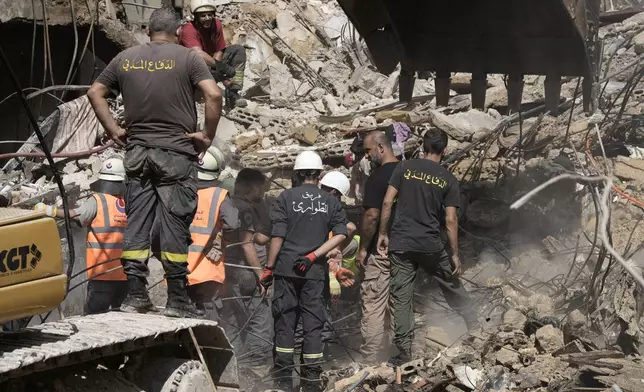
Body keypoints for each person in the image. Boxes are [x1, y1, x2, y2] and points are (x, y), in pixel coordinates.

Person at [87, 6, 223, 319]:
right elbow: (213, 95)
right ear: (178, 33)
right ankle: (177, 299)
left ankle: (136, 294)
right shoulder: (188, 57)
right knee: (174, 223)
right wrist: (206, 136)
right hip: (175, 154)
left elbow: (95, 92)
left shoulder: (125, 58)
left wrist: (113, 129)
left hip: (137, 155)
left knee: (137, 223)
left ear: (148, 32)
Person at [377, 128, 477, 365]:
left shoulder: (404, 167)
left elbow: (387, 200)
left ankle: (403, 352)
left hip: (401, 243)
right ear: (445, 150)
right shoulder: (448, 178)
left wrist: (383, 233)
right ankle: (475, 324)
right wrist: (454, 254)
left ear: (423, 147)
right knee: (450, 283)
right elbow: (450, 220)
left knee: (401, 297)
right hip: (431, 244)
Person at [259, 151, 348, 391]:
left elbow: (277, 236)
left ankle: (284, 383)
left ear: (297, 174)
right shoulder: (330, 201)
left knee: (285, 323)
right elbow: (341, 233)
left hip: (286, 271)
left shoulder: (286, 197)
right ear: (319, 175)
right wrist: (313, 256)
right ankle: (311, 383)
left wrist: (268, 269)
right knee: (313, 326)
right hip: (314, 274)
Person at [151, 146, 238, 320]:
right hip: (207, 272)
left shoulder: (173, 194)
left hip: (178, 272)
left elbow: (156, 235)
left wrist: (166, 260)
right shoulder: (219, 195)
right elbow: (233, 225)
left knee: (182, 321)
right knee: (209, 319)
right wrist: (221, 241)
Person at [33, 157, 128, 315]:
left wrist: (50, 211)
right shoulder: (128, 203)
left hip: (101, 274)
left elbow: (77, 216)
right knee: (120, 316)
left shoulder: (98, 200)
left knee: (94, 318)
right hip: (125, 275)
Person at [221, 168, 273, 378]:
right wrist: (262, 275)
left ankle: (235, 366)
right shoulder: (246, 209)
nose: (263, 192)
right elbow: (247, 244)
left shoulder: (226, 204)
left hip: (229, 271)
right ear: (254, 187)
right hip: (247, 273)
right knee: (259, 319)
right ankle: (258, 370)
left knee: (234, 318)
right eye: (262, 187)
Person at [355, 130, 399, 364]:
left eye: (368, 151)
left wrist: (363, 248)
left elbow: (372, 216)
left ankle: (370, 362)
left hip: (381, 252)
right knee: (399, 304)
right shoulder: (409, 172)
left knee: (373, 304)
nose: (367, 157)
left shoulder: (379, 177)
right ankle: (397, 358)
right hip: (406, 249)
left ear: (381, 148)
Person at [180, 0, 247, 109]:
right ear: (196, 17)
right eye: (203, 15)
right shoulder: (188, 29)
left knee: (238, 50)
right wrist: (221, 67)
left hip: (210, 63)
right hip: (192, 68)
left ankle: (233, 92)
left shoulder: (216, 24)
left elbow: (219, 50)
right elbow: (198, 54)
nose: (207, 18)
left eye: (210, 14)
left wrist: (217, 70)